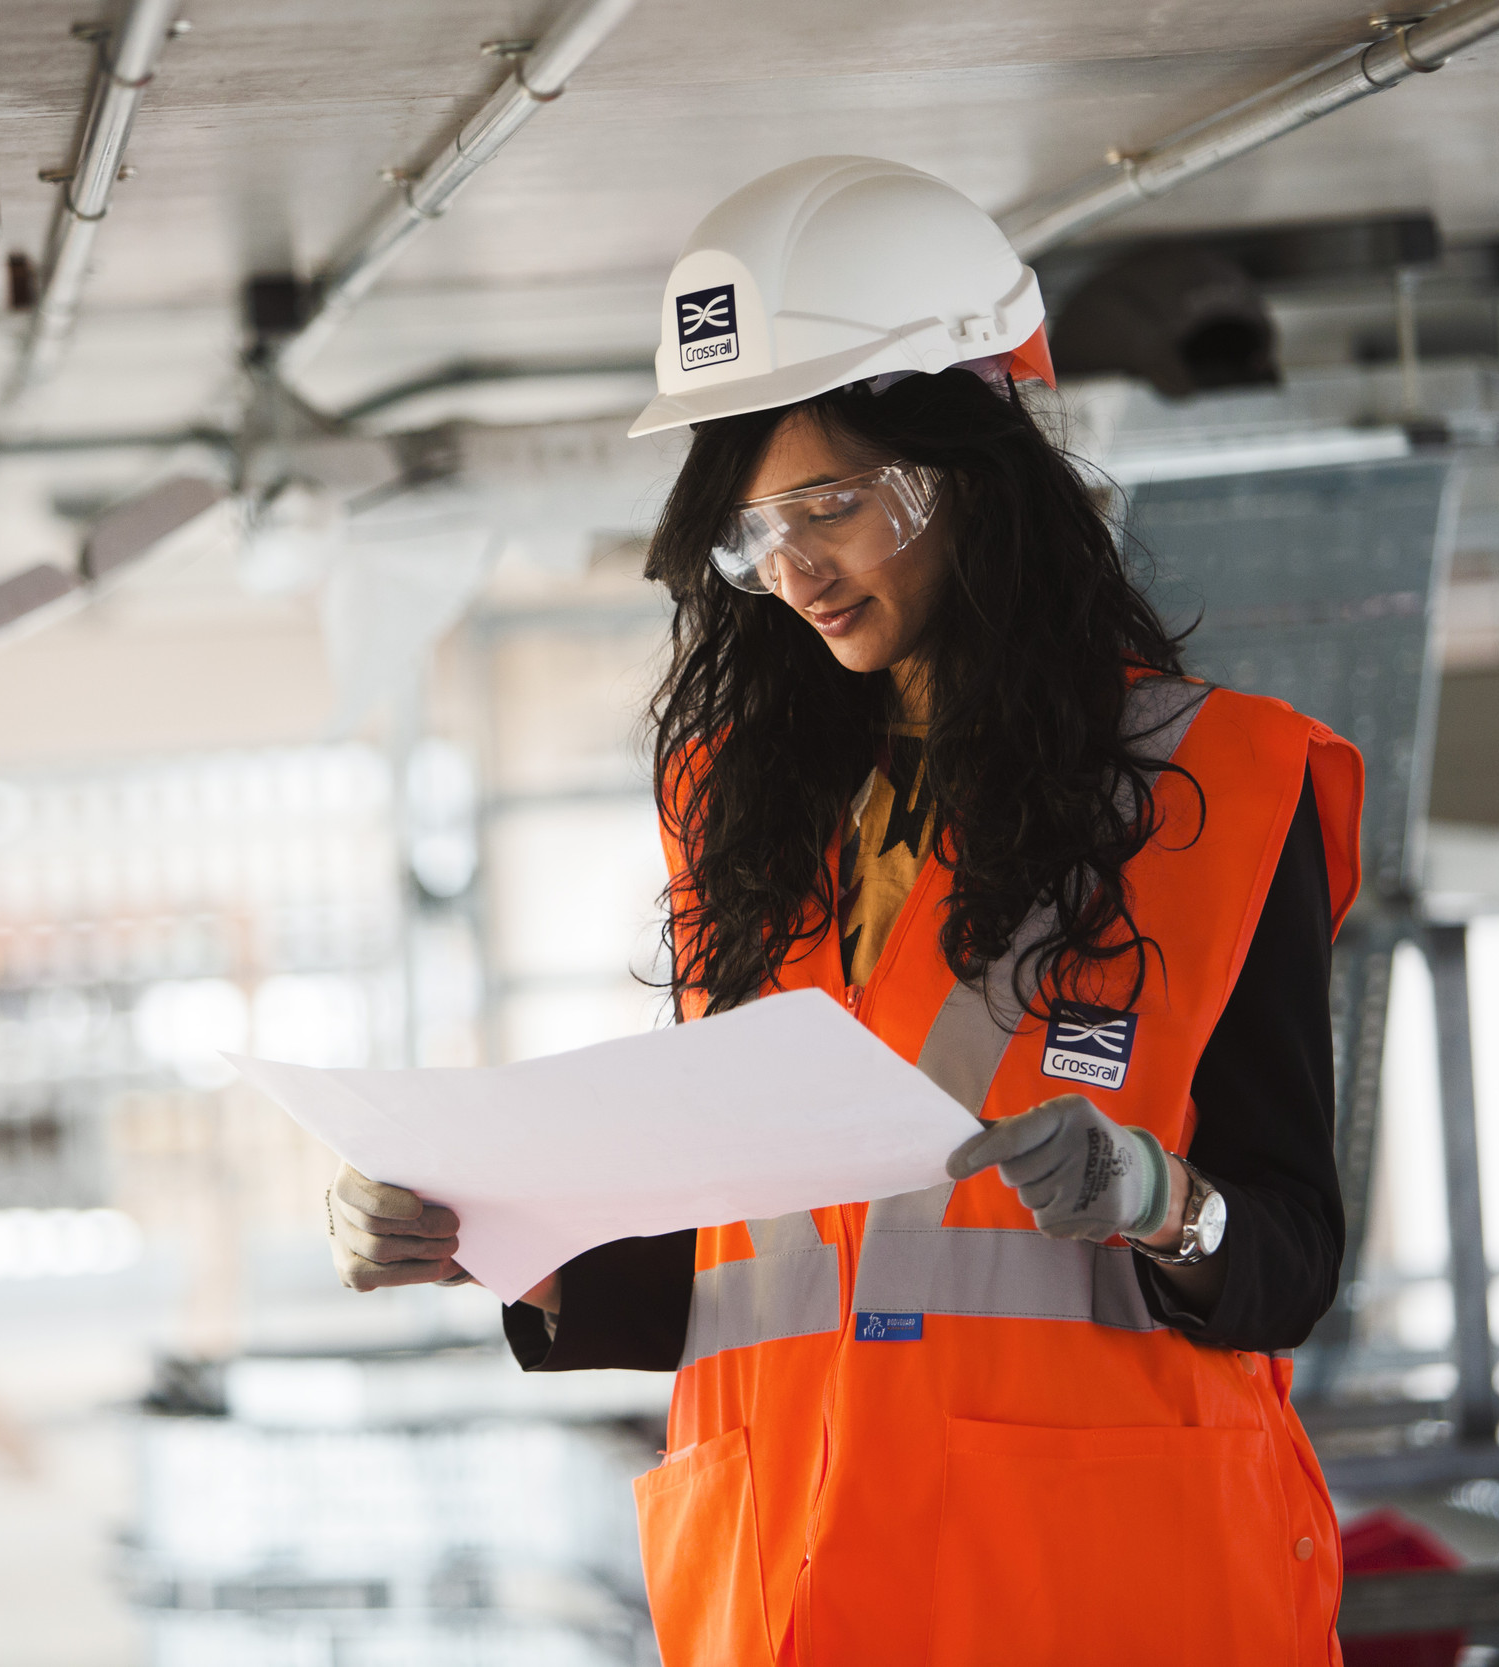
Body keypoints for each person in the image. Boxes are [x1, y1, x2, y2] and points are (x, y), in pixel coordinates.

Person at [326, 157, 1364, 1666]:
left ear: (975, 472)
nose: (796, 565)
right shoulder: (736, 807)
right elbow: (760, 1253)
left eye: (834, 503)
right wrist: (491, 1241)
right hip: (798, 1591)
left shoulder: (1217, 784)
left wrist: (1163, 1200)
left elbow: (1292, 1256)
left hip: (1102, 1593)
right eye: (755, 529)